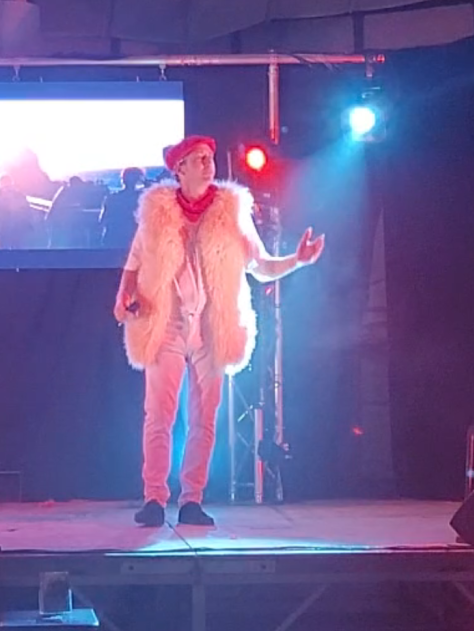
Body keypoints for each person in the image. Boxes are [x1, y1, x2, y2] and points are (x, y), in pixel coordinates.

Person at [114, 136, 324, 527]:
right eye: (199, 159)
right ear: (180, 169)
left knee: (204, 418)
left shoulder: (232, 212)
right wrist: (123, 296)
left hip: (210, 327)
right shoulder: (157, 212)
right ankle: (154, 498)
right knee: (158, 415)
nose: (208, 164)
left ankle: (191, 499)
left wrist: (297, 260)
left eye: (210, 157)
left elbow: (261, 266)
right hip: (166, 322)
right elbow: (135, 261)